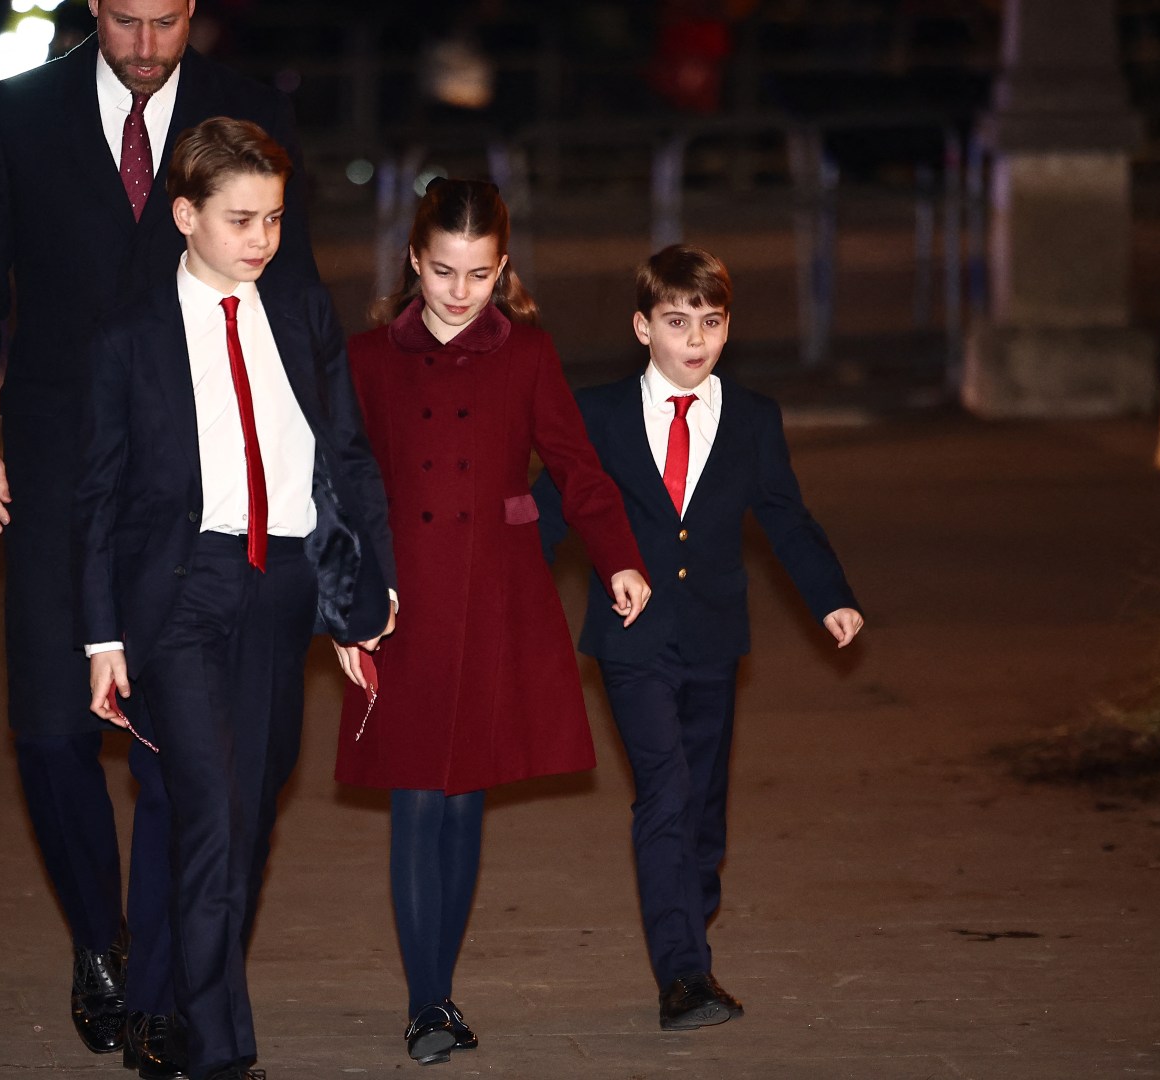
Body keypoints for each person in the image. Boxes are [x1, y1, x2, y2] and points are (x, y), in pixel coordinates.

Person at [0, 1, 318, 1072]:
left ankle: (161, 991)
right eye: (129, 20)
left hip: (200, 482)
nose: (148, 45)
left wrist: (326, 474)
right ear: (95, 5)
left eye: (170, 20)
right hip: (54, 469)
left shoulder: (245, 110)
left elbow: (294, 294)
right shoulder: (16, 114)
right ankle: (102, 940)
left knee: (177, 750)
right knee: (50, 725)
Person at [78, 116, 396, 1080]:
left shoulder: (299, 310)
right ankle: (218, 1053)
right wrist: (102, 639)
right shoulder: (131, 338)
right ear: (186, 215)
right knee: (211, 815)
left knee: (249, 818)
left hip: (284, 588)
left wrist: (360, 595)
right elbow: (97, 496)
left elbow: (342, 459)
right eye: (240, 219)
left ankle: (170, 1007)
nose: (261, 238)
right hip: (182, 596)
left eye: (274, 219)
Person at [331, 179, 652, 1066]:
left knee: (464, 796)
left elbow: (578, 469)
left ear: (503, 268)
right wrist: (344, 601)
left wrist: (620, 555)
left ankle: (439, 989)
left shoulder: (530, 355)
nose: (459, 291)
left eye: (478, 273)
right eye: (442, 271)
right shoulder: (365, 359)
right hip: (400, 602)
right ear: (413, 261)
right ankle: (425, 1000)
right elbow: (337, 488)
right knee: (413, 797)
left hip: (494, 596)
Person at [534, 244, 863, 1030]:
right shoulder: (601, 413)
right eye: (677, 322)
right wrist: (486, 593)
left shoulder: (753, 418)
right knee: (666, 794)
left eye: (710, 323)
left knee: (703, 810)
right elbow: (554, 512)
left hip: (716, 636)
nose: (695, 339)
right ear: (643, 327)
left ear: (727, 328)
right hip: (632, 639)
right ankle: (683, 976)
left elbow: (785, 516)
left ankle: (689, 909)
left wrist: (831, 598)